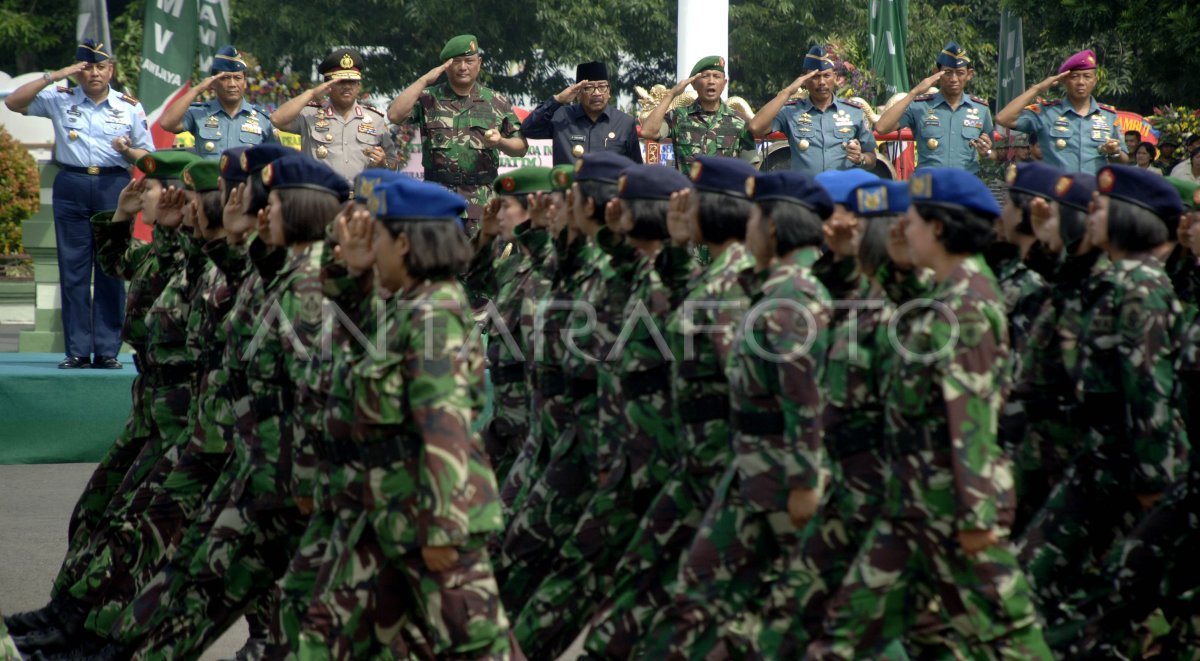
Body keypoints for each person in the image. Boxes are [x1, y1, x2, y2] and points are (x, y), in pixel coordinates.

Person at [806, 168, 1053, 659]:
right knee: (841, 639)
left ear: (938, 228)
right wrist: (896, 267)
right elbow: (911, 311)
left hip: (953, 508)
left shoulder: (967, 305)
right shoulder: (945, 294)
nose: (902, 229)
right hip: (909, 506)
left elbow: (973, 419)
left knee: (1009, 640)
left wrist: (978, 515)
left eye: (912, 220)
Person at [299, 175, 512, 659]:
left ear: (403, 242)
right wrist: (352, 271)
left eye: (376, 238)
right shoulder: (405, 304)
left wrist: (442, 528)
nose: (370, 248)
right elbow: (360, 340)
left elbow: (446, 426)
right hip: (387, 511)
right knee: (324, 639)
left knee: (478, 646)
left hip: (427, 515)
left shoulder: (435, 313)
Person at [1019, 166, 1189, 643]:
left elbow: (1148, 391)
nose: (1090, 216)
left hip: (1133, 469)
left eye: (1101, 209)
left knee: (1142, 595)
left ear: (1130, 219)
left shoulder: (1140, 287)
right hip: (1099, 463)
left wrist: (1154, 485)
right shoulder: (1115, 280)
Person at [3, 39, 154, 369]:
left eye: (101, 67)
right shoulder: (62, 99)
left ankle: (107, 350)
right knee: (73, 270)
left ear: (111, 70)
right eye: (87, 67)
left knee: (110, 269)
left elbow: (147, 157)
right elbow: (13, 102)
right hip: (71, 183)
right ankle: (76, 350)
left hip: (113, 185)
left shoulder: (129, 107)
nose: (95, 74)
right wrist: (54, 75)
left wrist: (128, 151)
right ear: (78, 70)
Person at [388, 34, 529, 233]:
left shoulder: (496, 101)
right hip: (437, 200)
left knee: (480, 260)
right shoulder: (428, 98)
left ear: (479, 63)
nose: (463, 67)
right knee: (438, 261)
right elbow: (394, 115)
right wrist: (424, 80)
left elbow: (521, 148)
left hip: (482, 202)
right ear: (447, 66)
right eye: (456, 62)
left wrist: (500, 143)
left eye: (469, 61)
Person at [270, 48, 396, 184]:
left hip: (361, 200)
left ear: (359, 85)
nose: (347, 86)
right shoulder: (310, 115)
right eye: (341, 82)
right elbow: (277, 119)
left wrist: (383, 163)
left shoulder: (375, 119)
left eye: (352, 82)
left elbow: (393, 163)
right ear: (328, 85)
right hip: (323, 199)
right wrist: (311, 93)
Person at [749, 45, 877, 176]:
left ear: (835, 77)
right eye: (815, 77)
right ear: (804, 80)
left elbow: (872, 158)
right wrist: (787, 91)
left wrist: (860, 158)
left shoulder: (854, 112)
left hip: (841, 192)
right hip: (806, 193)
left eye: (827, 76)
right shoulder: (791, 111)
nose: (821, 82)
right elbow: (755, 127)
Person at [996, 49, 1128, 174]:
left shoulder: (1109, 116)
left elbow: (1125, 160)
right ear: (1064, 80)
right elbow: (1003, 118)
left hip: (1094, 193)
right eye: (1074, 77)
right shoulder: (1046, 112)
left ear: (1095, 81)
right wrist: (1037, 88)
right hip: (1057, 193)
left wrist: (1115, 152)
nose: (1081, 82)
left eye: (1087, 77)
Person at [875, 42, 994, 174]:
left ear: (969, 74)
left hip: (964, 184)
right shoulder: (919, 106)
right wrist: (914, 92)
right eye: (948, 73)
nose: (954, 79)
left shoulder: (980, 109)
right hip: (926, 184)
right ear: (936, 73)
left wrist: (987, 153)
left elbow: (993, 156)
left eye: (960, 73)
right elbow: (881, 127)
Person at [639, 55, 758, 170]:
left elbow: (751, 166)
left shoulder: (740, 121)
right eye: (705, 76)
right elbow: (647, 131)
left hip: (723, 189)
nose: (711, 81)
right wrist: (671, 94)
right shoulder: (678, 116)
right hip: (689, 189)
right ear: (694, 83)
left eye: (716, 76)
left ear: (724, 84)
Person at [159, 45, 276, 158]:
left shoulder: (262, 119)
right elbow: (167, 123)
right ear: (213, 83)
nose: (232, 84)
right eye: (225, 78)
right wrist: (197, 89)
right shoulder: (200, 113)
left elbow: (275, 159)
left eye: (238, 78)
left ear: (245, 83)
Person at [521, 60, 644, 165]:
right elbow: (528, 129)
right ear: (578, 93)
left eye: (602, 87)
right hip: (570, 190)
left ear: (609, 91)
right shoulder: (561, 117)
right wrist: (557, 100)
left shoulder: (624, 122)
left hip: (609, 191)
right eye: (589, 87)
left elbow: (635, 167)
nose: (596, 93)